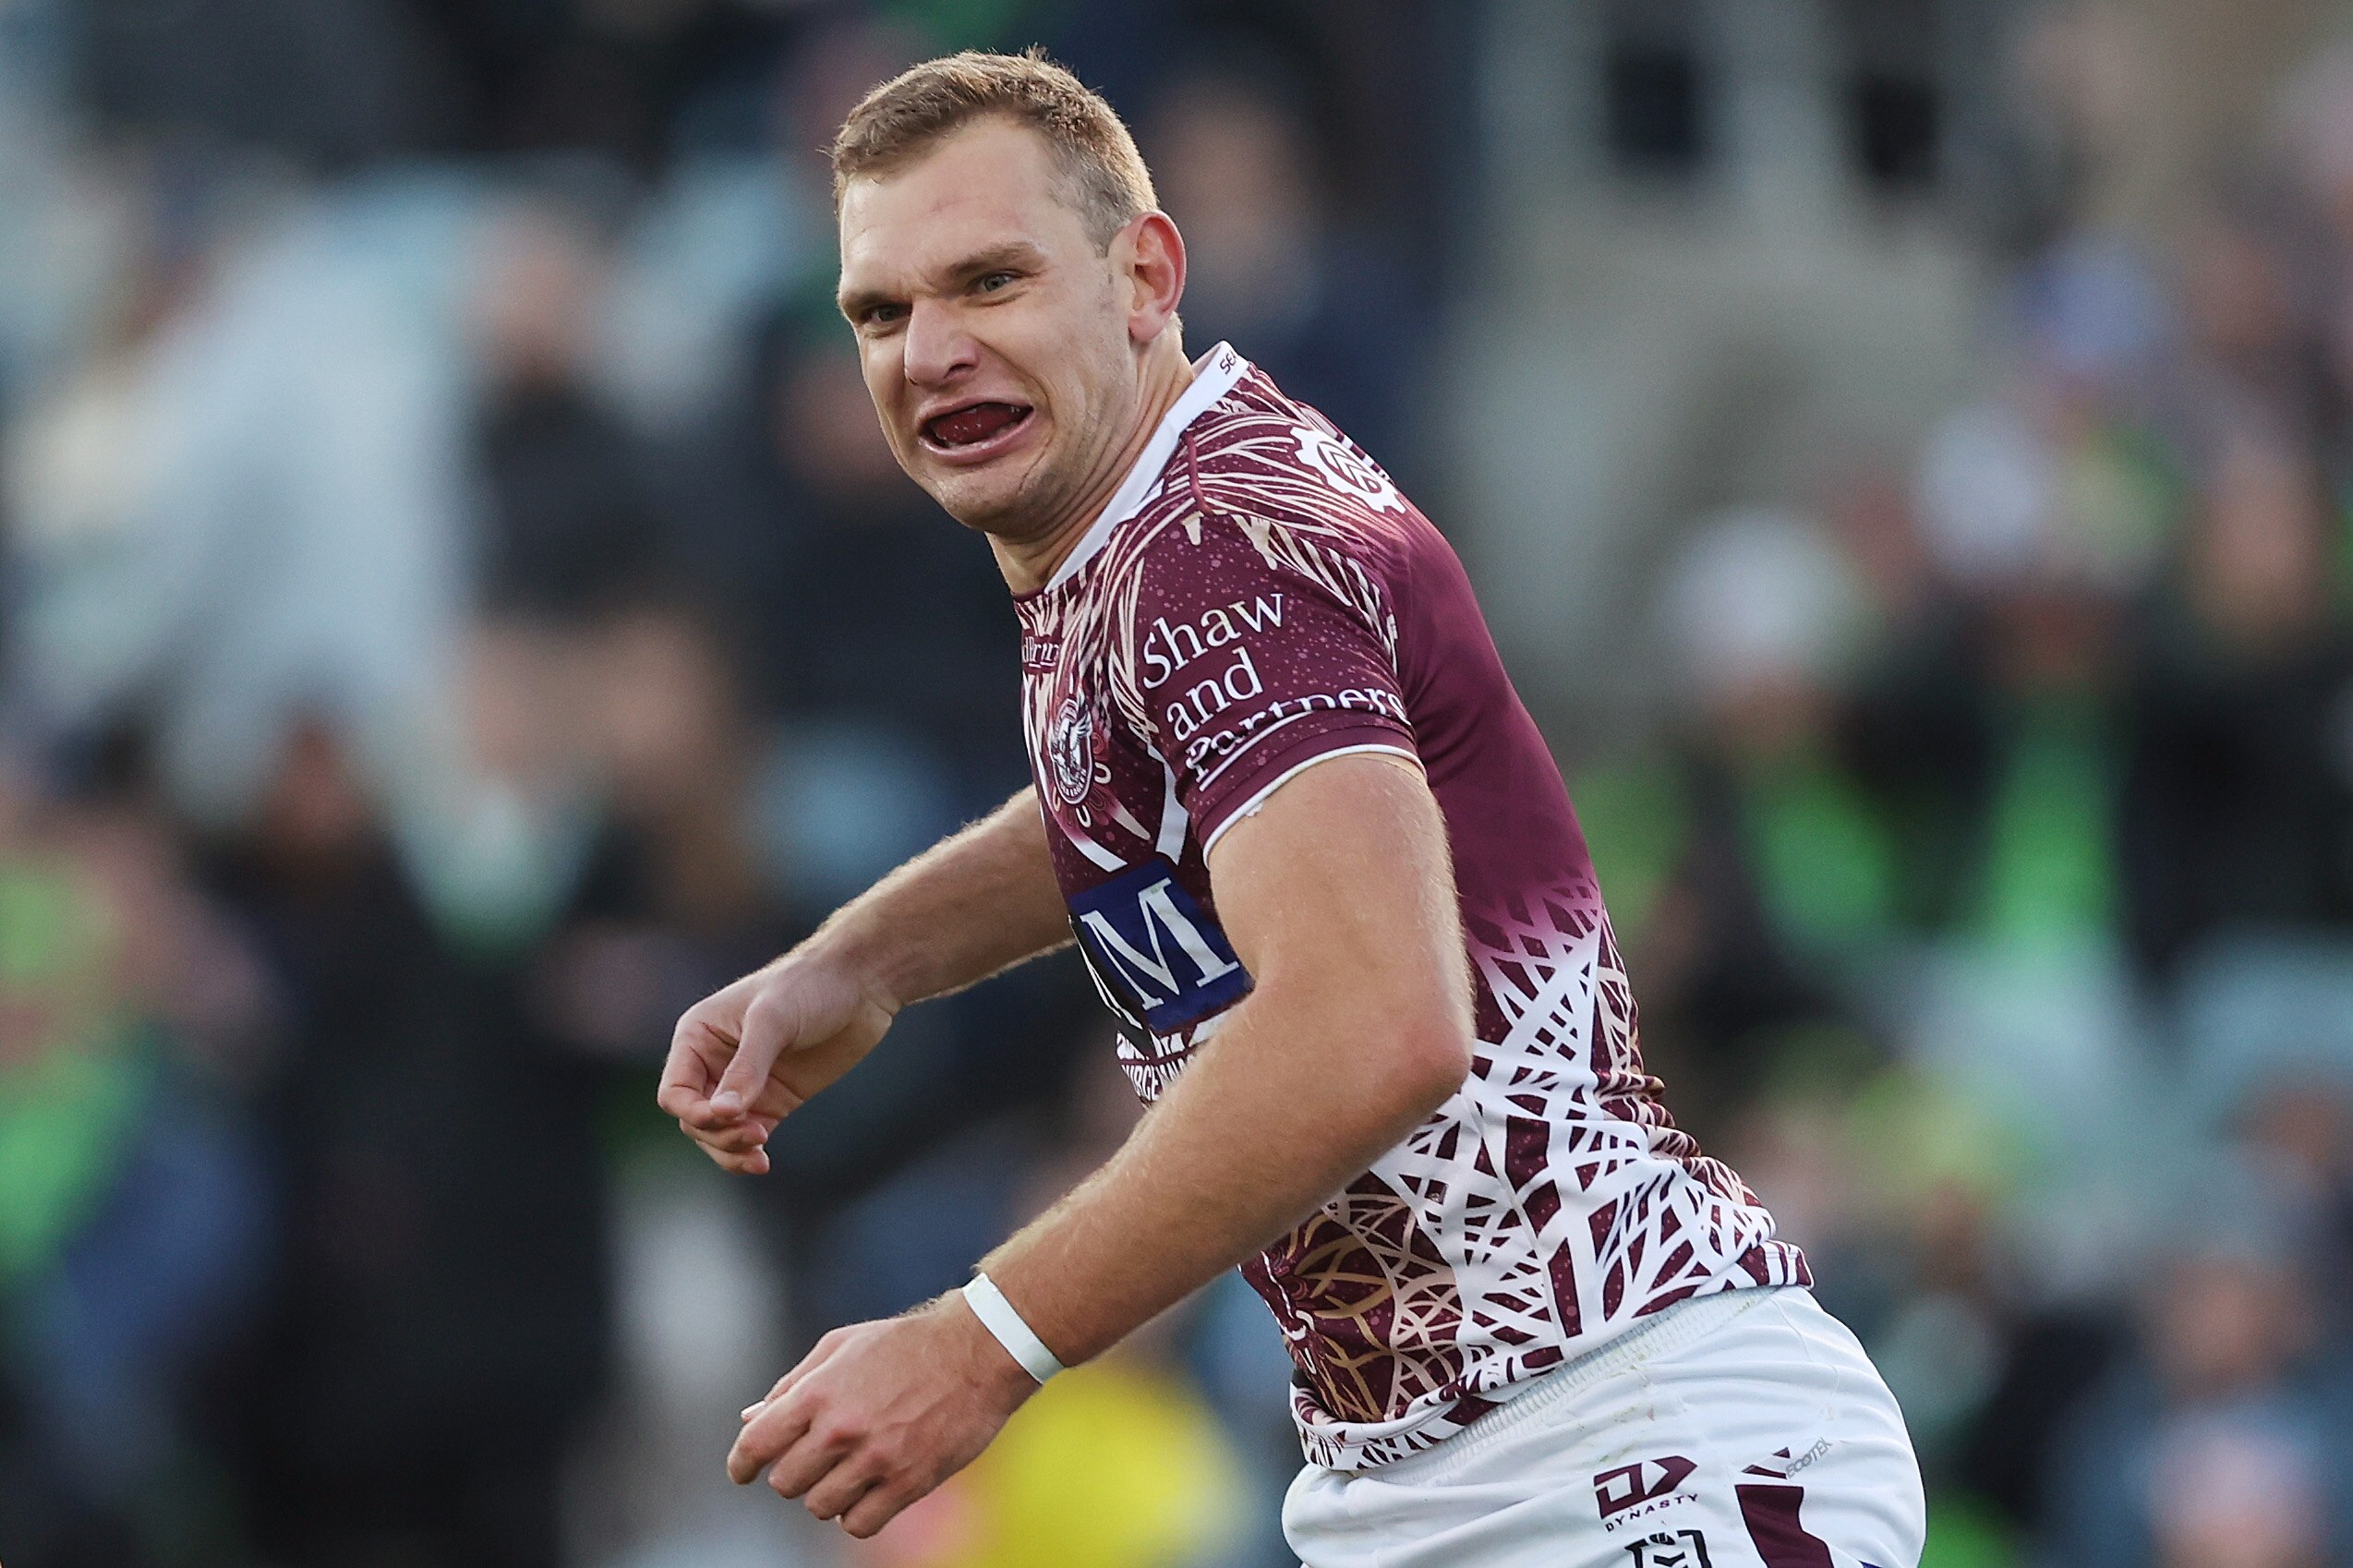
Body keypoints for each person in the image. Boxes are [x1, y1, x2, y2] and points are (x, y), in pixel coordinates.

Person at [658, 49, 1925, 1568]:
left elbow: (1375, 1022)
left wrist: (981, 1343)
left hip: (1621, 1444)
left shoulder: (1212, 547)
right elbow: (1133, 797)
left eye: (988, 281)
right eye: (881, 309)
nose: (928, 351)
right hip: (1444, 1471)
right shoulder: (1149, 520)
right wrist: (866, 959)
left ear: (1144, 272)